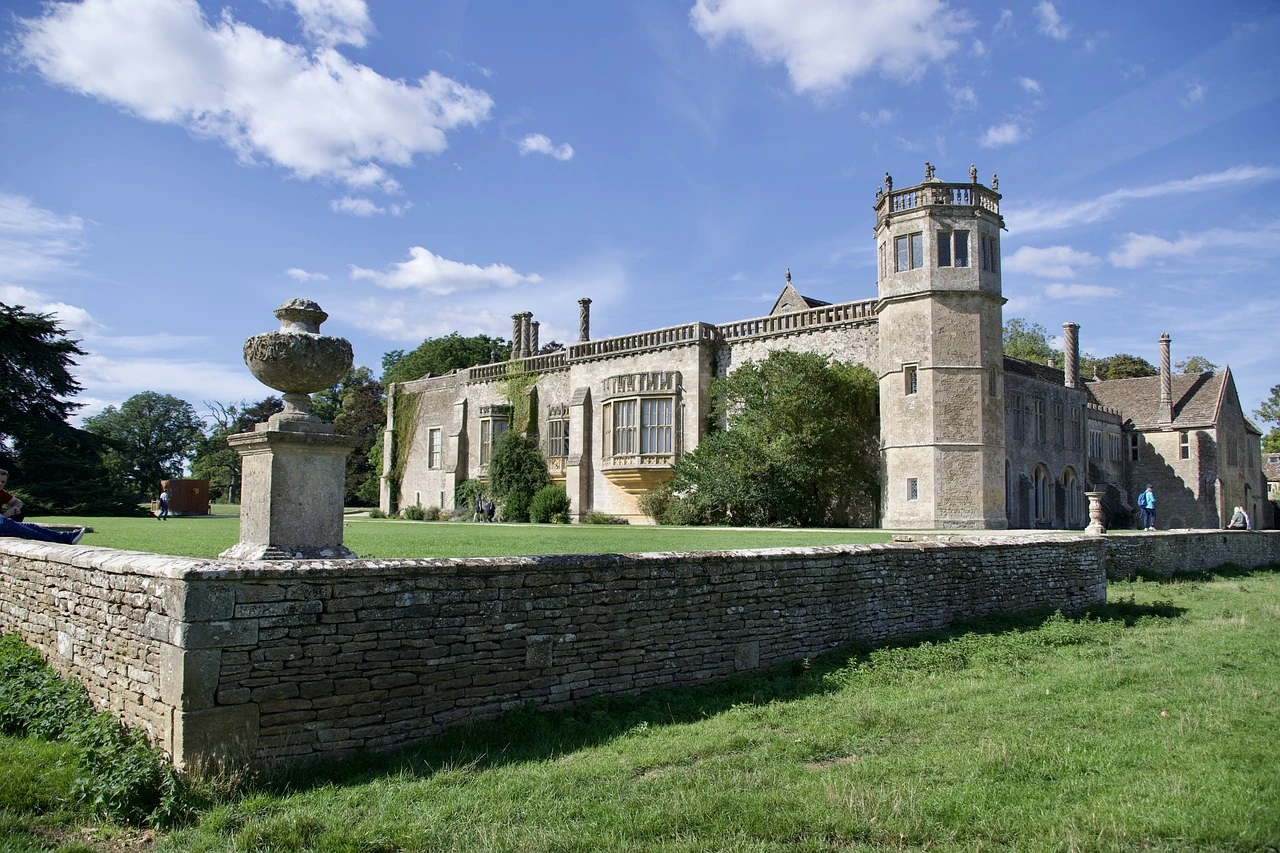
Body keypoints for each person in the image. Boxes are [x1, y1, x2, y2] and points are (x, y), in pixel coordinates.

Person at [0, 468, 86, 545]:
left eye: (3, 482)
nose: (0, 484)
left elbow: (18, 502)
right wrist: (6, 514)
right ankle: (61, 544)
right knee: (30, 532)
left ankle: (66, 536)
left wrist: (15, 507)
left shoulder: (1, 493)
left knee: (32, 526)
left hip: (3, 522)